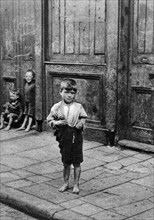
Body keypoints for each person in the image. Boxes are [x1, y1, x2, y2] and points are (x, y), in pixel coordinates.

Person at [47, 78, 87, 194]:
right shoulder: (56, 107)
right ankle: (65, 183)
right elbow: (49, 120)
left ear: (75, 93)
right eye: (66, 92)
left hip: (76, 136)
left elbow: (83, 117)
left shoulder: (78, 106)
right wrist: (57, 123)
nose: (69, 95)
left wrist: (81, 123)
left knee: (77, 161)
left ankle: (76, 184)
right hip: (64, 136)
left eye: (72, 93)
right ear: (61, 92)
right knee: (66, 162)